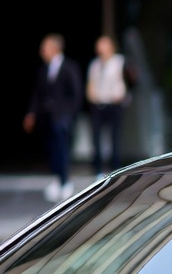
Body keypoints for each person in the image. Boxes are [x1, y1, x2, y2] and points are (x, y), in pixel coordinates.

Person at [24, 33, 84, 202]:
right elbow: (37, 94)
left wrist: (69, 114)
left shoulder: (69, 67)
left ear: (55, 48)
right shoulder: (44, 70)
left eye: (45, 48)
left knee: (62, 148)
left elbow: (76, 93)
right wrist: (32, 113)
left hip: (63, 117)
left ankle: (65, 181)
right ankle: (58, 178)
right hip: (47, 117)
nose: (42, 52)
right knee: (52, 149)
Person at [86, 34, 130, 179]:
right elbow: (91, 83)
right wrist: (91, 96)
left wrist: (122, 95)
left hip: (114, 104)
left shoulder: (120, 61)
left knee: (114, 137)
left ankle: (115, 169)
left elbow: (129, 79)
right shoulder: (95, 64)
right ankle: (98, 169)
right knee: (96, 137)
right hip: (99, 104)